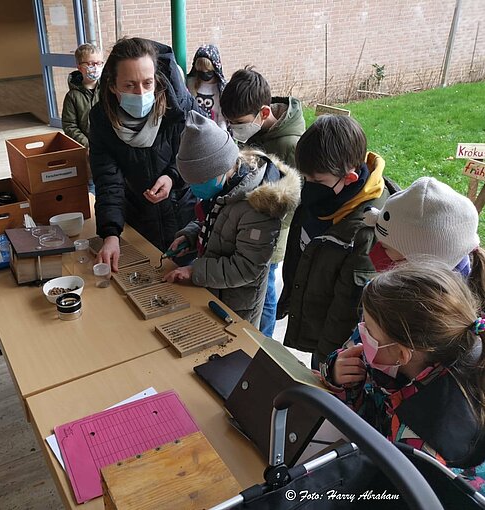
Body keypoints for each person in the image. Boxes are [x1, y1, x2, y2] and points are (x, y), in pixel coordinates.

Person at [321, 262, 485, 494]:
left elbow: (385, 491)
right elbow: (377, 403)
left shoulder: (419, 439)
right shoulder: (442, 354)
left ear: (402, 354)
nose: (361, 332)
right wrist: (338, 373)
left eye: (368, 330)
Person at [163, 111, 300, 327]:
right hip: (215, 290)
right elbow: (215, 223)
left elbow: (246, 267)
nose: (195, 188)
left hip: (237, 306)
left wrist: (194, 270)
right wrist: (191, 236)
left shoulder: (258, 209)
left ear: (221, 168)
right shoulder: (224, 187)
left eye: (199, 181)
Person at [277, 115, 393, 365]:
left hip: (331, 345)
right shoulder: (323, 194)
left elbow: (347, 308)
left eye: (317, 181)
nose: (308, 187)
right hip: (311, 313)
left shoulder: (365, 229)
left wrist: (328, 360)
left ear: (349, 178)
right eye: (305, 178)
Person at [90, 37, 199, 270]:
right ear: (112, 86)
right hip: (139, 218)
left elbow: (198, 154)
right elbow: (108, 180)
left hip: (184, 217)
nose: (140, 93)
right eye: (129, 85)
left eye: (147, 83)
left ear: (157, 80)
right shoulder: (102, 120)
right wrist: (111, 234)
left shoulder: (179, 107)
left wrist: (172, 176)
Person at [219, 67, 305, 338]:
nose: (235, 129)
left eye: (240, 123)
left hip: (273, 231)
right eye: (230, 122)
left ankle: (263, 341)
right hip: (251, 222)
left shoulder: (291, 145)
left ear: (264, 113)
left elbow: (293, 198)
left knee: (265, 287)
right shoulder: (257, 131)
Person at [363, 176, 485, 306]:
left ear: (419, 258)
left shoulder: (425, 305)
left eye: (386, 247)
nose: (379, 251)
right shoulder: (451, 271)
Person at [62, 43, 103, 194]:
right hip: (87, 154)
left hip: (108, 147)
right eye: (91, 63)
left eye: (99, 63)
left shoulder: (107, 90)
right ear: (80, 67)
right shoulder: (72, 96)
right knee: (91, 185)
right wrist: (87, 144)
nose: (96, 67)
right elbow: (69, 125)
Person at [186, 44, 226, 129]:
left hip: (214, 131)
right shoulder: (190, 83)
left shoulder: (220, 88)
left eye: (208, 70)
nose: (204, 73)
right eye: (200, 70)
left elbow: (222, 117)